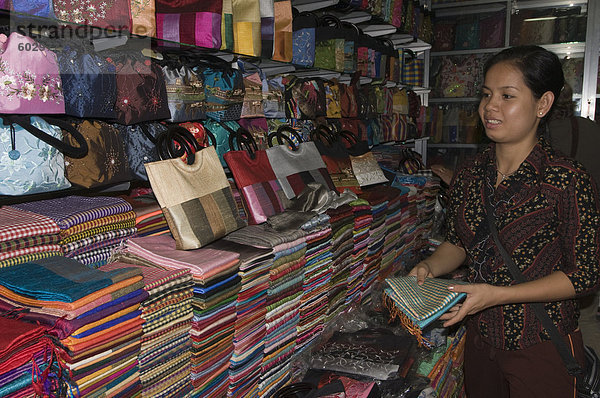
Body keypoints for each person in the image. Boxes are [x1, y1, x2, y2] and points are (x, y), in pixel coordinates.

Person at [409, 45, 600, 397]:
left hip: (540, 341)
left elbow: (585, 275)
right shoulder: (469, 174)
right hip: (482, 340)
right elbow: (457, 243)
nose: (489, 107)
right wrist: (429, 267)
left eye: (507, 96)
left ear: (542, 104)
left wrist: (499, 295)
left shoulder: (565, 179)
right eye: (486, 95)